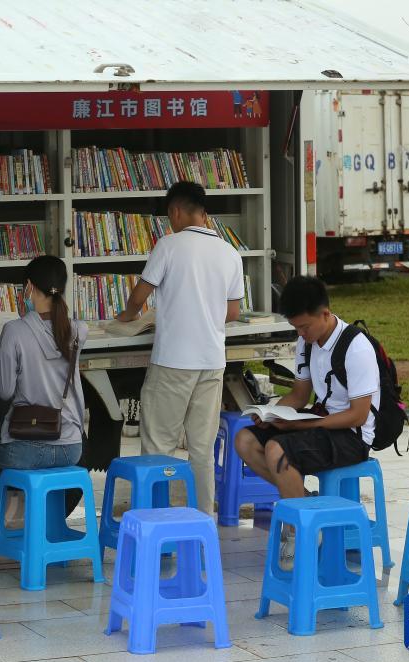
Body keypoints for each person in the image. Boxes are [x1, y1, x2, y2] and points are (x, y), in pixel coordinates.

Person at [116, 181, 244, 515]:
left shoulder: (169, 246)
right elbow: (232, 312)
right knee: (202, 450)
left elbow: (139, 296)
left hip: (173, 361)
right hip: (212, 361)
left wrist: (125, 318)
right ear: (204, 213)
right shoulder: (230, 253)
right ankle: (203, 521)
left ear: (174, 211)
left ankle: (157, 520)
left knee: (159, 446)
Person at [235, 276, 378, 568]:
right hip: (320, 421)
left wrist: (302, 426)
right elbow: (299, 395)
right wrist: (271, 414)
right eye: (296, 328)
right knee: (245, 440)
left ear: (325, 314)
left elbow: (359, 415)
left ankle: (300, 531)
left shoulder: (356, 348)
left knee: (277, 449)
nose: (301, 333)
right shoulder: (307, 342)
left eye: (304, 327)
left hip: (352, 436)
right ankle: (302, 499)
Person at [0, 256, 86, 490]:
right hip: (71, 447)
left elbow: (4, 391)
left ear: (28, 286)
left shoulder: (13, 331)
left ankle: (2, 513)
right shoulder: (79, 330)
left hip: (23, 448)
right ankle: (34, 511)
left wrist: (2, 348)